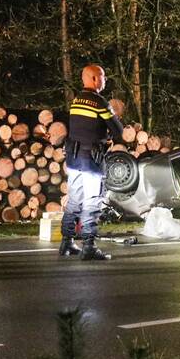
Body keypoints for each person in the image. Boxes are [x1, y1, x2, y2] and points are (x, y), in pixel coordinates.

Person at [60, 64, 124, 260]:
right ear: (95, 79)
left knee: (73, 201)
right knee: (92, 201)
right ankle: (89, 245)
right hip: (91, 161)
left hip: (74, 159)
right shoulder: (99, 102)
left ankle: (67, 242)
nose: (105, 80)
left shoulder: (77, 101)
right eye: (103, 77)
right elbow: (118, 130)